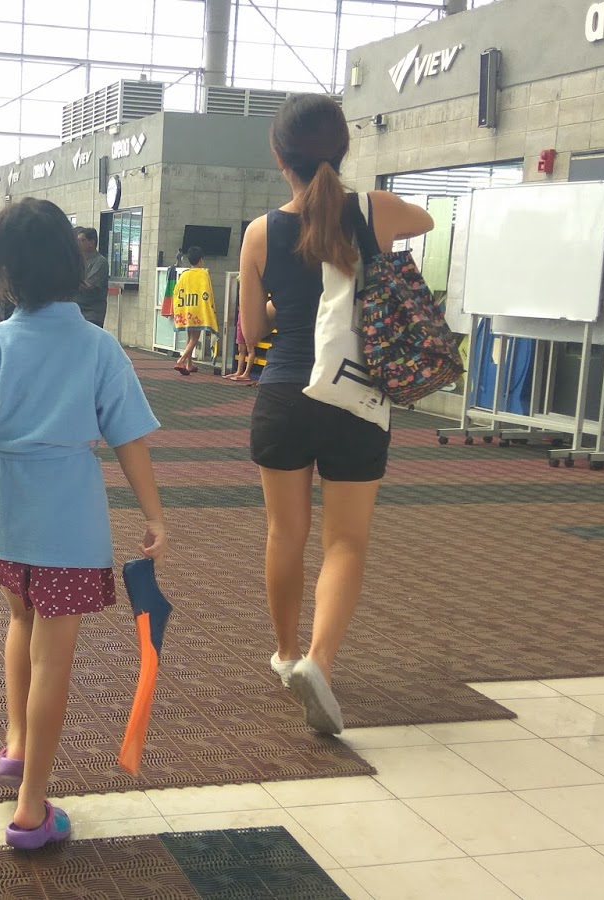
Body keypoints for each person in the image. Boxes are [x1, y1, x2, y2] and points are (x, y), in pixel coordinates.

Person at [0, 197, 167, 850]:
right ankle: (31, 810)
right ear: (71, 265)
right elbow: (129, 440)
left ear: (3, 274)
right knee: (54, 660)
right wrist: (154, 515)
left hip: (1, 513)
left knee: (20, 620)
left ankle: (16, 742)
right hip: (68, 522)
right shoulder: (99, 347)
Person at [238, 93, 433, 735]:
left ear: (279, 156)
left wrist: (284, 304)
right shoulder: (377, 211)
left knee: (284, 534)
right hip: (357, 395)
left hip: (285, 394)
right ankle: (319, 662)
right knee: (345, 540)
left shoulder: (260, 233)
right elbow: (428, 220)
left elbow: (251, 332)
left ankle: (286, 653)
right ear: (345, 147)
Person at [171, 247, 219, 375]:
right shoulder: (203, 274)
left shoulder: (184, 274)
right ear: (201, 260)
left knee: (189, 337)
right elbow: (207, 293)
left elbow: (176, 292)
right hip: (198, 310)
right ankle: (181, 360)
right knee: (194, 338)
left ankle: (189, 364)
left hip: (186, 309)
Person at [73, 227, 109, 328]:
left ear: (91, 242)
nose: (78, 243)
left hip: (91, 313)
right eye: (77, 240)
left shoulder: (100, 262)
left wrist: (69, 282)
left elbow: (89, 285)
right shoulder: (78, 261)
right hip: (76, 311)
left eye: (82, 240)